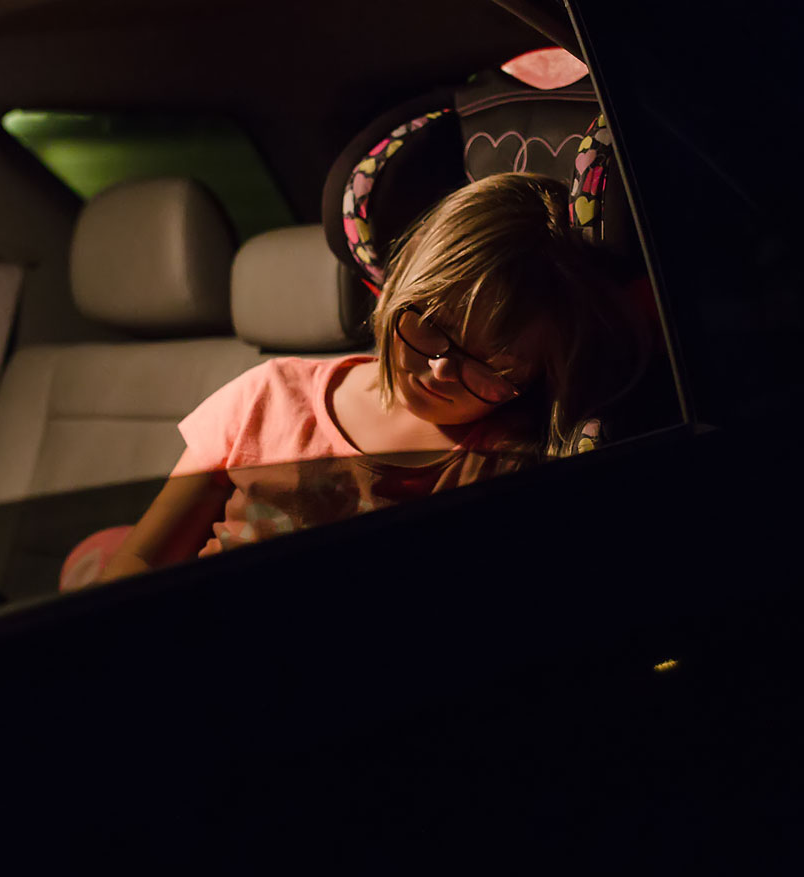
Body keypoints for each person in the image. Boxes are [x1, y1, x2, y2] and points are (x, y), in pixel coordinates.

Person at [60, 172, 645, 589]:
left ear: (543, 368)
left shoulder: (504, 459)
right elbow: (145, 557)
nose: (442, 369)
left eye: (493, 363)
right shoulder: (268, 394)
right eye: (431, 326)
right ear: (399, 288)